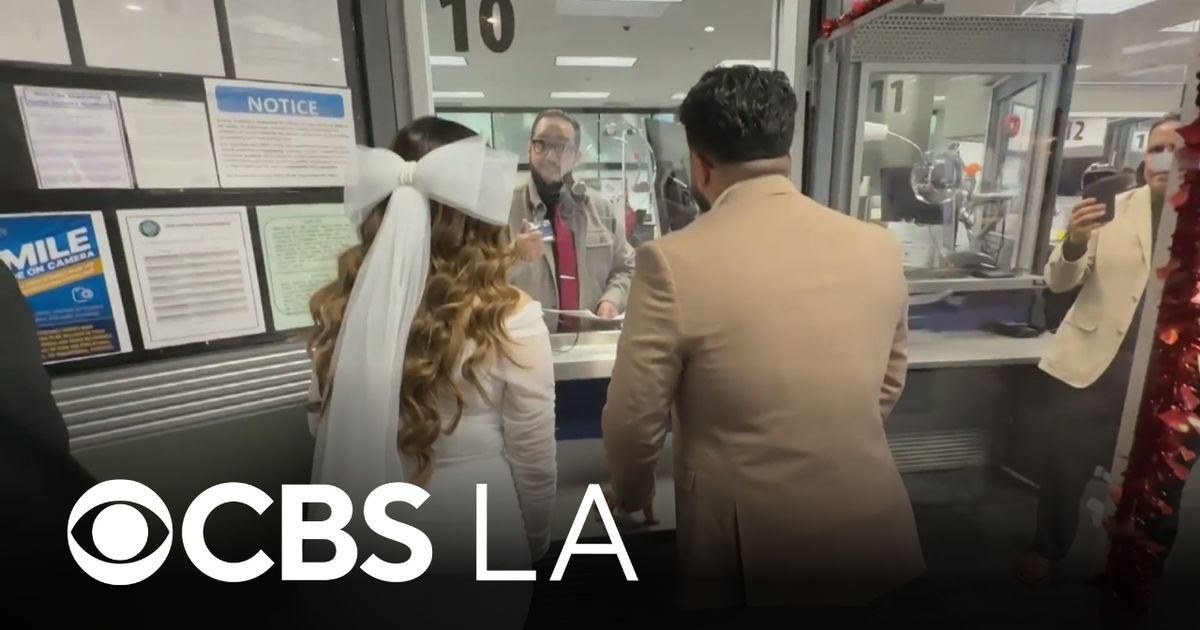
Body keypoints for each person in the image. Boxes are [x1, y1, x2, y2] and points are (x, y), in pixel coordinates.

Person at [599, 66, 925, 615]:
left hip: (752, 554)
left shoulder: (673, 262)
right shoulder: (876, 246)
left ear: (699, 166)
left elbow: (634, 418)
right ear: (786, 149)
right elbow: (890, 378)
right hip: (873, 532)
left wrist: (631, 495)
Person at [304, 117, 557, 627]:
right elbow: (533, 460)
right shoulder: (513, 318)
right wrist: (533, 543)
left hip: (363, 536)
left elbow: (322, 427)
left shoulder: (344, 308)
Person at [1018, 113, 1189, 584]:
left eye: (1177, 150)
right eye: (1157, 148)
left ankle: (1139, 565)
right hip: (1096, 367)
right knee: (1062, 469)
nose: (1164, 159)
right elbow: (1059, 280)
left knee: (1160, 482)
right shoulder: (1111, 205)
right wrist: (1073, 243)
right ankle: (1049, 548)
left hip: (1170, 380)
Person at [509, 109, 635, 332]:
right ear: (529, 149)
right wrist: (513, 257)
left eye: (562, 146)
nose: (550, 155)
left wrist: (612, 300)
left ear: (577, 156)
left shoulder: (601, 210)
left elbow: (625, 268)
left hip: (589, 344)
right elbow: (473, 280)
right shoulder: (503, 209)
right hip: (525, 347)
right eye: (542, 144)